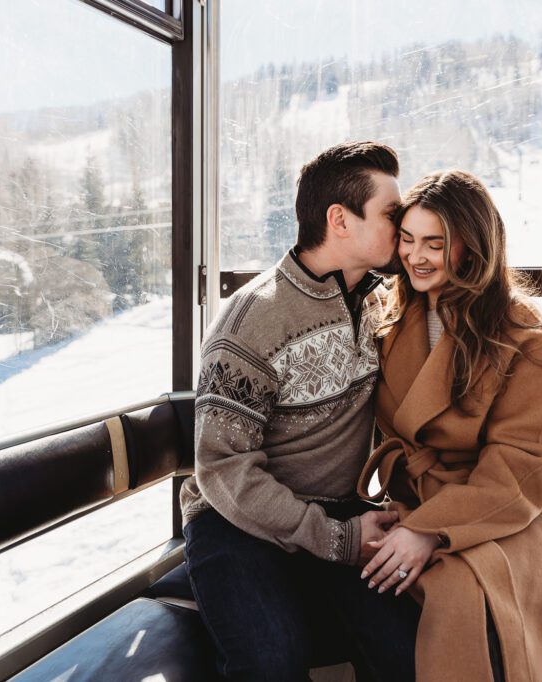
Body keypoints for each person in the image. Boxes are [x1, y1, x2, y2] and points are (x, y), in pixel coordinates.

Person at [357, 170, 542, 682]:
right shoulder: (386, 316)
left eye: (435, 244)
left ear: (473, 248)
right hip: (416, 497)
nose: (416, 257)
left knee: (459, 586)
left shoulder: (532, 342)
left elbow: (516, 469)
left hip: (511, 507)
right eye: (407, 241)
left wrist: (428, 530)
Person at [180, 141, 421, 681]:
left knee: (410, 650)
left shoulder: (383, 302)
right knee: (271, 661)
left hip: (336, 509)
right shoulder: (251, 322)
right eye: (391, 214)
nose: (403, 228)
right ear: (340, 219)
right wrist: (336, 539)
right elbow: (222, 471)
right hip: (234, 519)